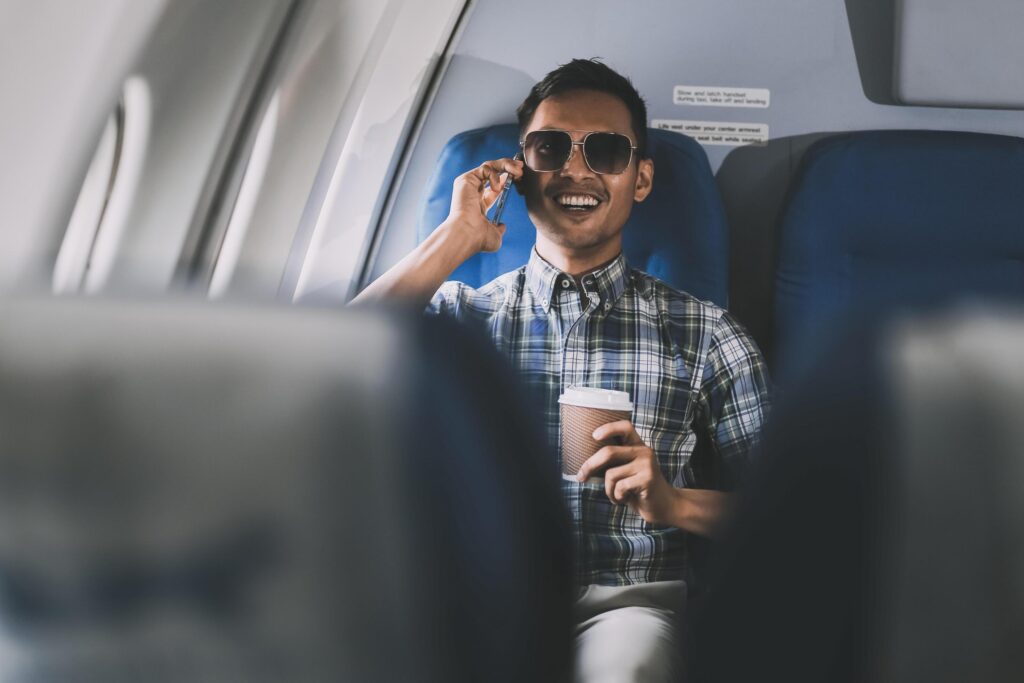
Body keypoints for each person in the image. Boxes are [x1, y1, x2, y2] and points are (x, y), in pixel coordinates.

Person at [354, 58, 770, 683]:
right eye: (551, 148)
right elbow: (331, 358)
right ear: (520, 172)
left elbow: (782, 511)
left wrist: (673, 501)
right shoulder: (458, 317)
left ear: (641, 178)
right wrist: (457, 237)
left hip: (628, 603)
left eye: (604, 150)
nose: (577, 170)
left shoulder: (706, 334)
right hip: (478, 598)